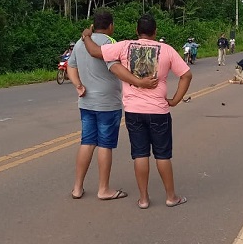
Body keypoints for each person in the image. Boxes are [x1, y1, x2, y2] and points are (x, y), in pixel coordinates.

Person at [81, 14, 192, 210]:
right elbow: (186, 75)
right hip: (159, 111)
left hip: (133, 111)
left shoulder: (125, 46)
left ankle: (143, 199)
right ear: (155, 31)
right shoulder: (166, 50)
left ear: (136, 31)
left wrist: (86, 36)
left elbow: (95, 52)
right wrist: (174, 100)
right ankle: (171, 197)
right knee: (163, 155)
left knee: (140, 154)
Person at [67, 11, 158, 201]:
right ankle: (103, 189)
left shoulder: (80, 42)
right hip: (108, 103)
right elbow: (116, 68)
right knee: (105, 145)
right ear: (110, 26)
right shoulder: (109, 43)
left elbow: (71, 66)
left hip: (86, 101)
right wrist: (138, 82)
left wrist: (78, 85)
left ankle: (77, 188)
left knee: (87, 142)